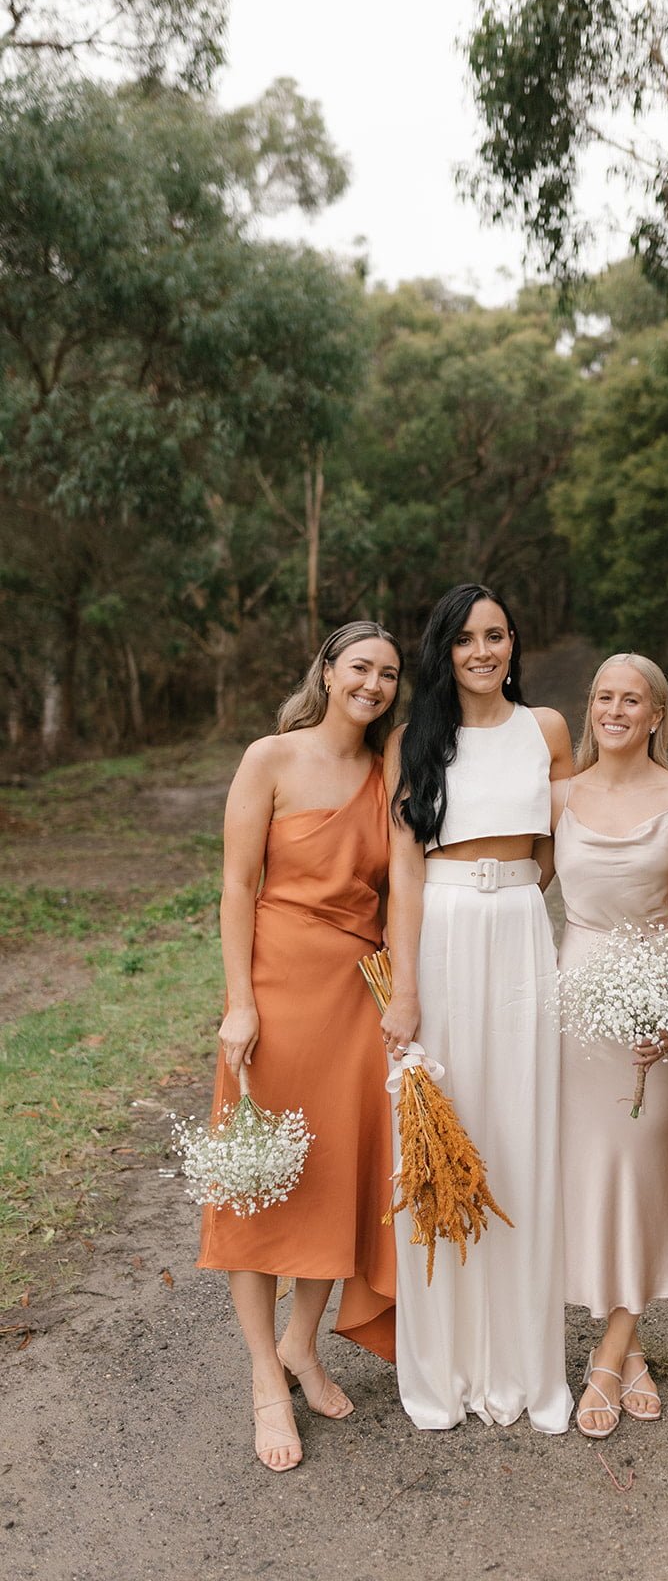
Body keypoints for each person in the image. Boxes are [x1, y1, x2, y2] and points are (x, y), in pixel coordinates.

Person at [198, 622, 403, 1472]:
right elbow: (236, 884)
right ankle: (262, 1379)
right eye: (360, 667)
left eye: (388, 674)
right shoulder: (270, 759)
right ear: (327, 670)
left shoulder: (389, 770)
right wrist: (240, 1004)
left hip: (354, 999)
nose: (373, 684)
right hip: (275, 992)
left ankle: (302, 1346)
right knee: (257, 1181)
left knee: (330, 1178)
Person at [380, 583, 574, 1432]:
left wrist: (521, 890)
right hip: (443, 931)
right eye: (465, 639)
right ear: (444, 651)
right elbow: (403, 870)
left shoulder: (547, 730)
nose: (482, 652)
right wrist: (406, 988)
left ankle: (525, 1369)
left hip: (520, 928)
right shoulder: (413, 740)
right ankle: (444, 1370)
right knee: (442, 1130)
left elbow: (576, 830)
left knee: (520, 1132)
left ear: (513, 644)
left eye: (496, 635)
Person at [552, 654, 668, 1438]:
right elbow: (508, 880)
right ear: (589, 708)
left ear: (656, 715)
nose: (614, 710)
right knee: (592, 1172)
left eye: (631, 700)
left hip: (659, 999)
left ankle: (608, 1357)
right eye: (603, 697)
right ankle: (633, 1347)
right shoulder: (558, 796)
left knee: (642, 1169)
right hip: (576, 1000)